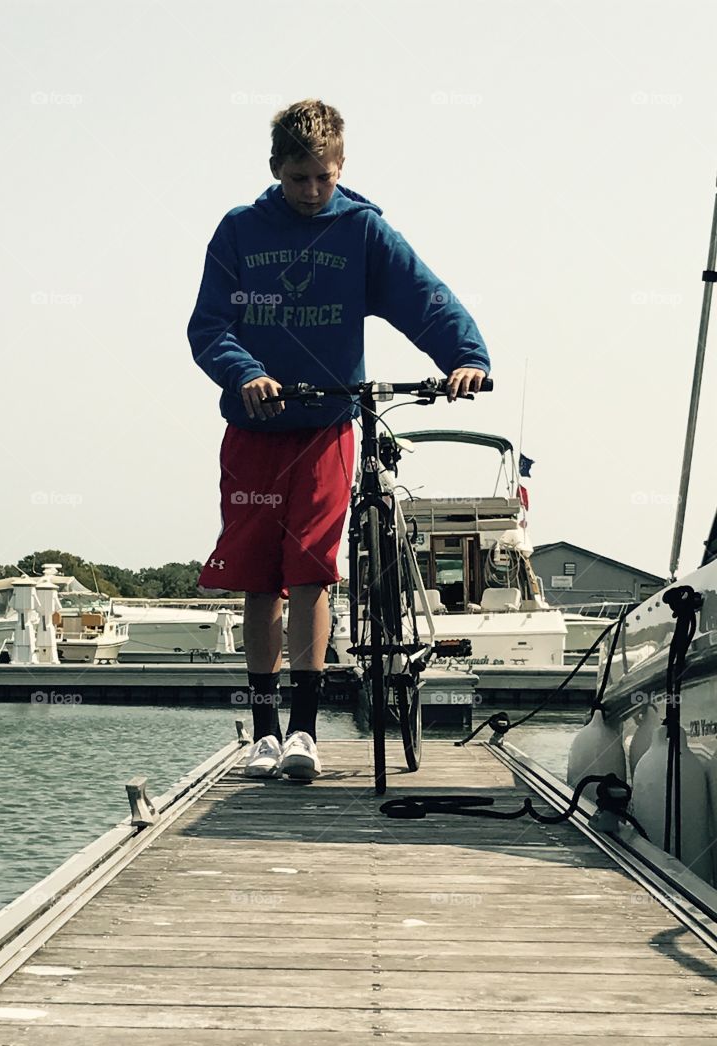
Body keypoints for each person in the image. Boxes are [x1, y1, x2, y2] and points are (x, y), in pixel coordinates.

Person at [187, 99, 490, 781]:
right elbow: (208, 327)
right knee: (259, 580)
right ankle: (263, 734)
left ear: (342, 166)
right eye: (298, 178)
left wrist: (465, 357)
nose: (311, 190)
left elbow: (425, 297)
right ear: (275, 168)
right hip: (255, 428)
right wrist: (246, 373)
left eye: (323, 177)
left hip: (326, 427)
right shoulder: (239, 231)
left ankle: (303, 731)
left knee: (311, 573)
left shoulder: (361, 230)